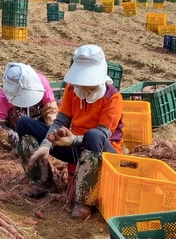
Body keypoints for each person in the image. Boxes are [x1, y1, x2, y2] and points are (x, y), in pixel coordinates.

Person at [17, 44, 124, 220]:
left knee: (93, 135)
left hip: (103, 152)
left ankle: (84, 201)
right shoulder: (72, 89)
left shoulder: (112, 98)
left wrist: (73, 139)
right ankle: (43, 181)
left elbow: (103, 134)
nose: (81, 85)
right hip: (74, 146)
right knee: (24, 123)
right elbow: (60, 121)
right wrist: (46, 144)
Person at [0, 63, 58, 149]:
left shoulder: (41, 82)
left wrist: (51, 131)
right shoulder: (3, 95)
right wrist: (8, 134)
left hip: (40, 123)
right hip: (18, 131)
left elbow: (51, 109)